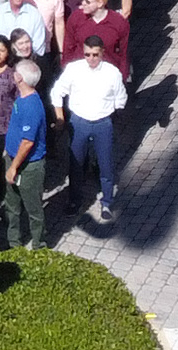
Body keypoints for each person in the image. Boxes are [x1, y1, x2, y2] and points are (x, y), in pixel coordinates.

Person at [54, 35, 128, 221]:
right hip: (79, 122)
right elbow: (57, 91)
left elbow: (121, 98)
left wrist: (115, 116)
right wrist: (60, 117)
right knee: (76, 164)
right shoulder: (74, 70)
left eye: (95, 54)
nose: (91, 59)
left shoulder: (112, 73)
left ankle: (107, 202)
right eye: (87, 54)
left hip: (103, 123)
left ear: (102, 52)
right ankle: (75, 200)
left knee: (106, 165)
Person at [4, 61, 48, 248]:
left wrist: (13, 167)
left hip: (29, 166)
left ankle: (39, 245)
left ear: (19, 78)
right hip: (13, 159)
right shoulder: (22, 98)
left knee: (33, 209)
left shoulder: (31, 106)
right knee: (12, 205)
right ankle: (14, 243)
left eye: (15, 72)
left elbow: (28, 141)